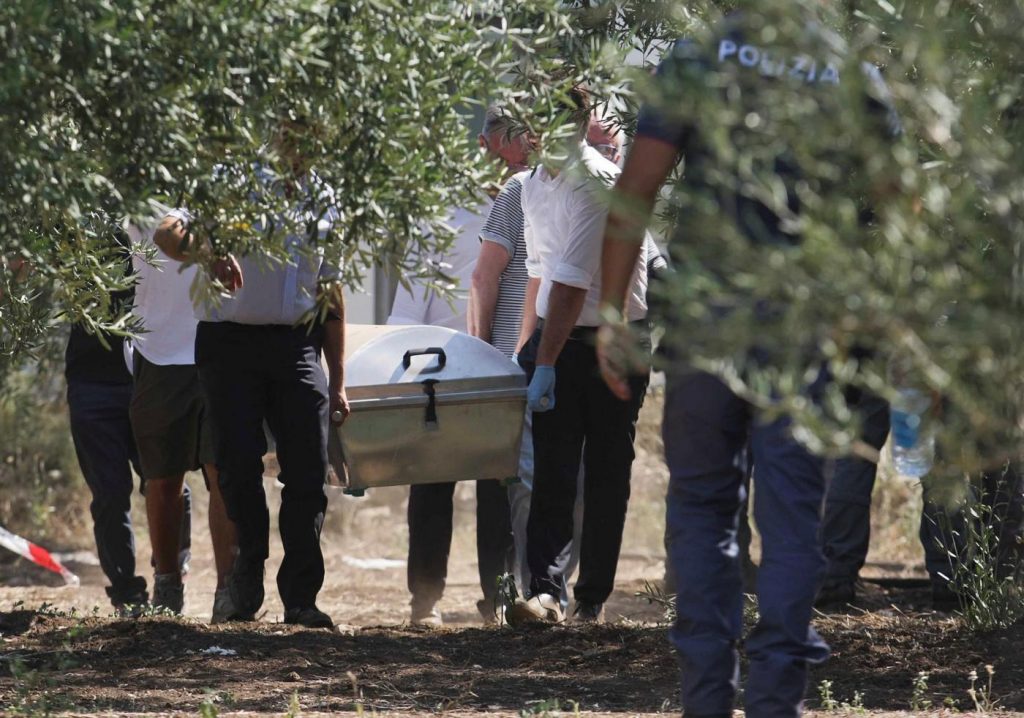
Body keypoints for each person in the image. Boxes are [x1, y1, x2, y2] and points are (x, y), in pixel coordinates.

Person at [596, 13, 900, 718]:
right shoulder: (852, 67)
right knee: (794, 521)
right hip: (804, 331)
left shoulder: (697, 57)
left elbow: (635, 188)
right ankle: (774, 702)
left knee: (703, 510)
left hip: (708, 326)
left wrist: (613, 315)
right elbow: (899, 208)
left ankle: (706, 700)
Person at [154, 136, 347, 630]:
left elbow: (330, 292)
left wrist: (339, 377)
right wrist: (209, 251)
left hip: (297, 345)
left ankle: (301, 599)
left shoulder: (326, 196)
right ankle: (245, 579)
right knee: (237, 468)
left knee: (308, 471)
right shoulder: (230, 182)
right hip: (229, 344)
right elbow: (166, 232)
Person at [507, 87, 653, 626]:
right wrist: (530, 350)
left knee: (608, 470)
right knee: (552, 468)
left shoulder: (595, 183)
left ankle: (592, 596)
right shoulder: (531, 185)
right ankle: (546, 592)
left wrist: (543, 363)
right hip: (558, 340)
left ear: (579, 124)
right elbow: (539, 275)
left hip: (614, 340)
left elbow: (570, 286)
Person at [389, 198, 515, 627]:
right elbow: (406, 310)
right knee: (431, 486)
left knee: (499, 488)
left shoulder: (531, 203)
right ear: (484, 144)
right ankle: (424, 601)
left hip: (504, 368)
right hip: (439, 372)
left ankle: (498, 599)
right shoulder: (437, 214)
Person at [63, 224, 189, 615]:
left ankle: (170, 575)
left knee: (168, 482)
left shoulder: (159, 221)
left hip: (148, 374)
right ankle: (127, 595)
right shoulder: (75, 221)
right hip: (92, 382)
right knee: (110, 494)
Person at [127, 221, 239, 620]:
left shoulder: (230, 175)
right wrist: (215, 254)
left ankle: (228, 592)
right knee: (162, 479)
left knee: (222, 472)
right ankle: (168, 587)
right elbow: (167, 236)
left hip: (223, 344)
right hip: (160, 350)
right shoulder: (147, 173)